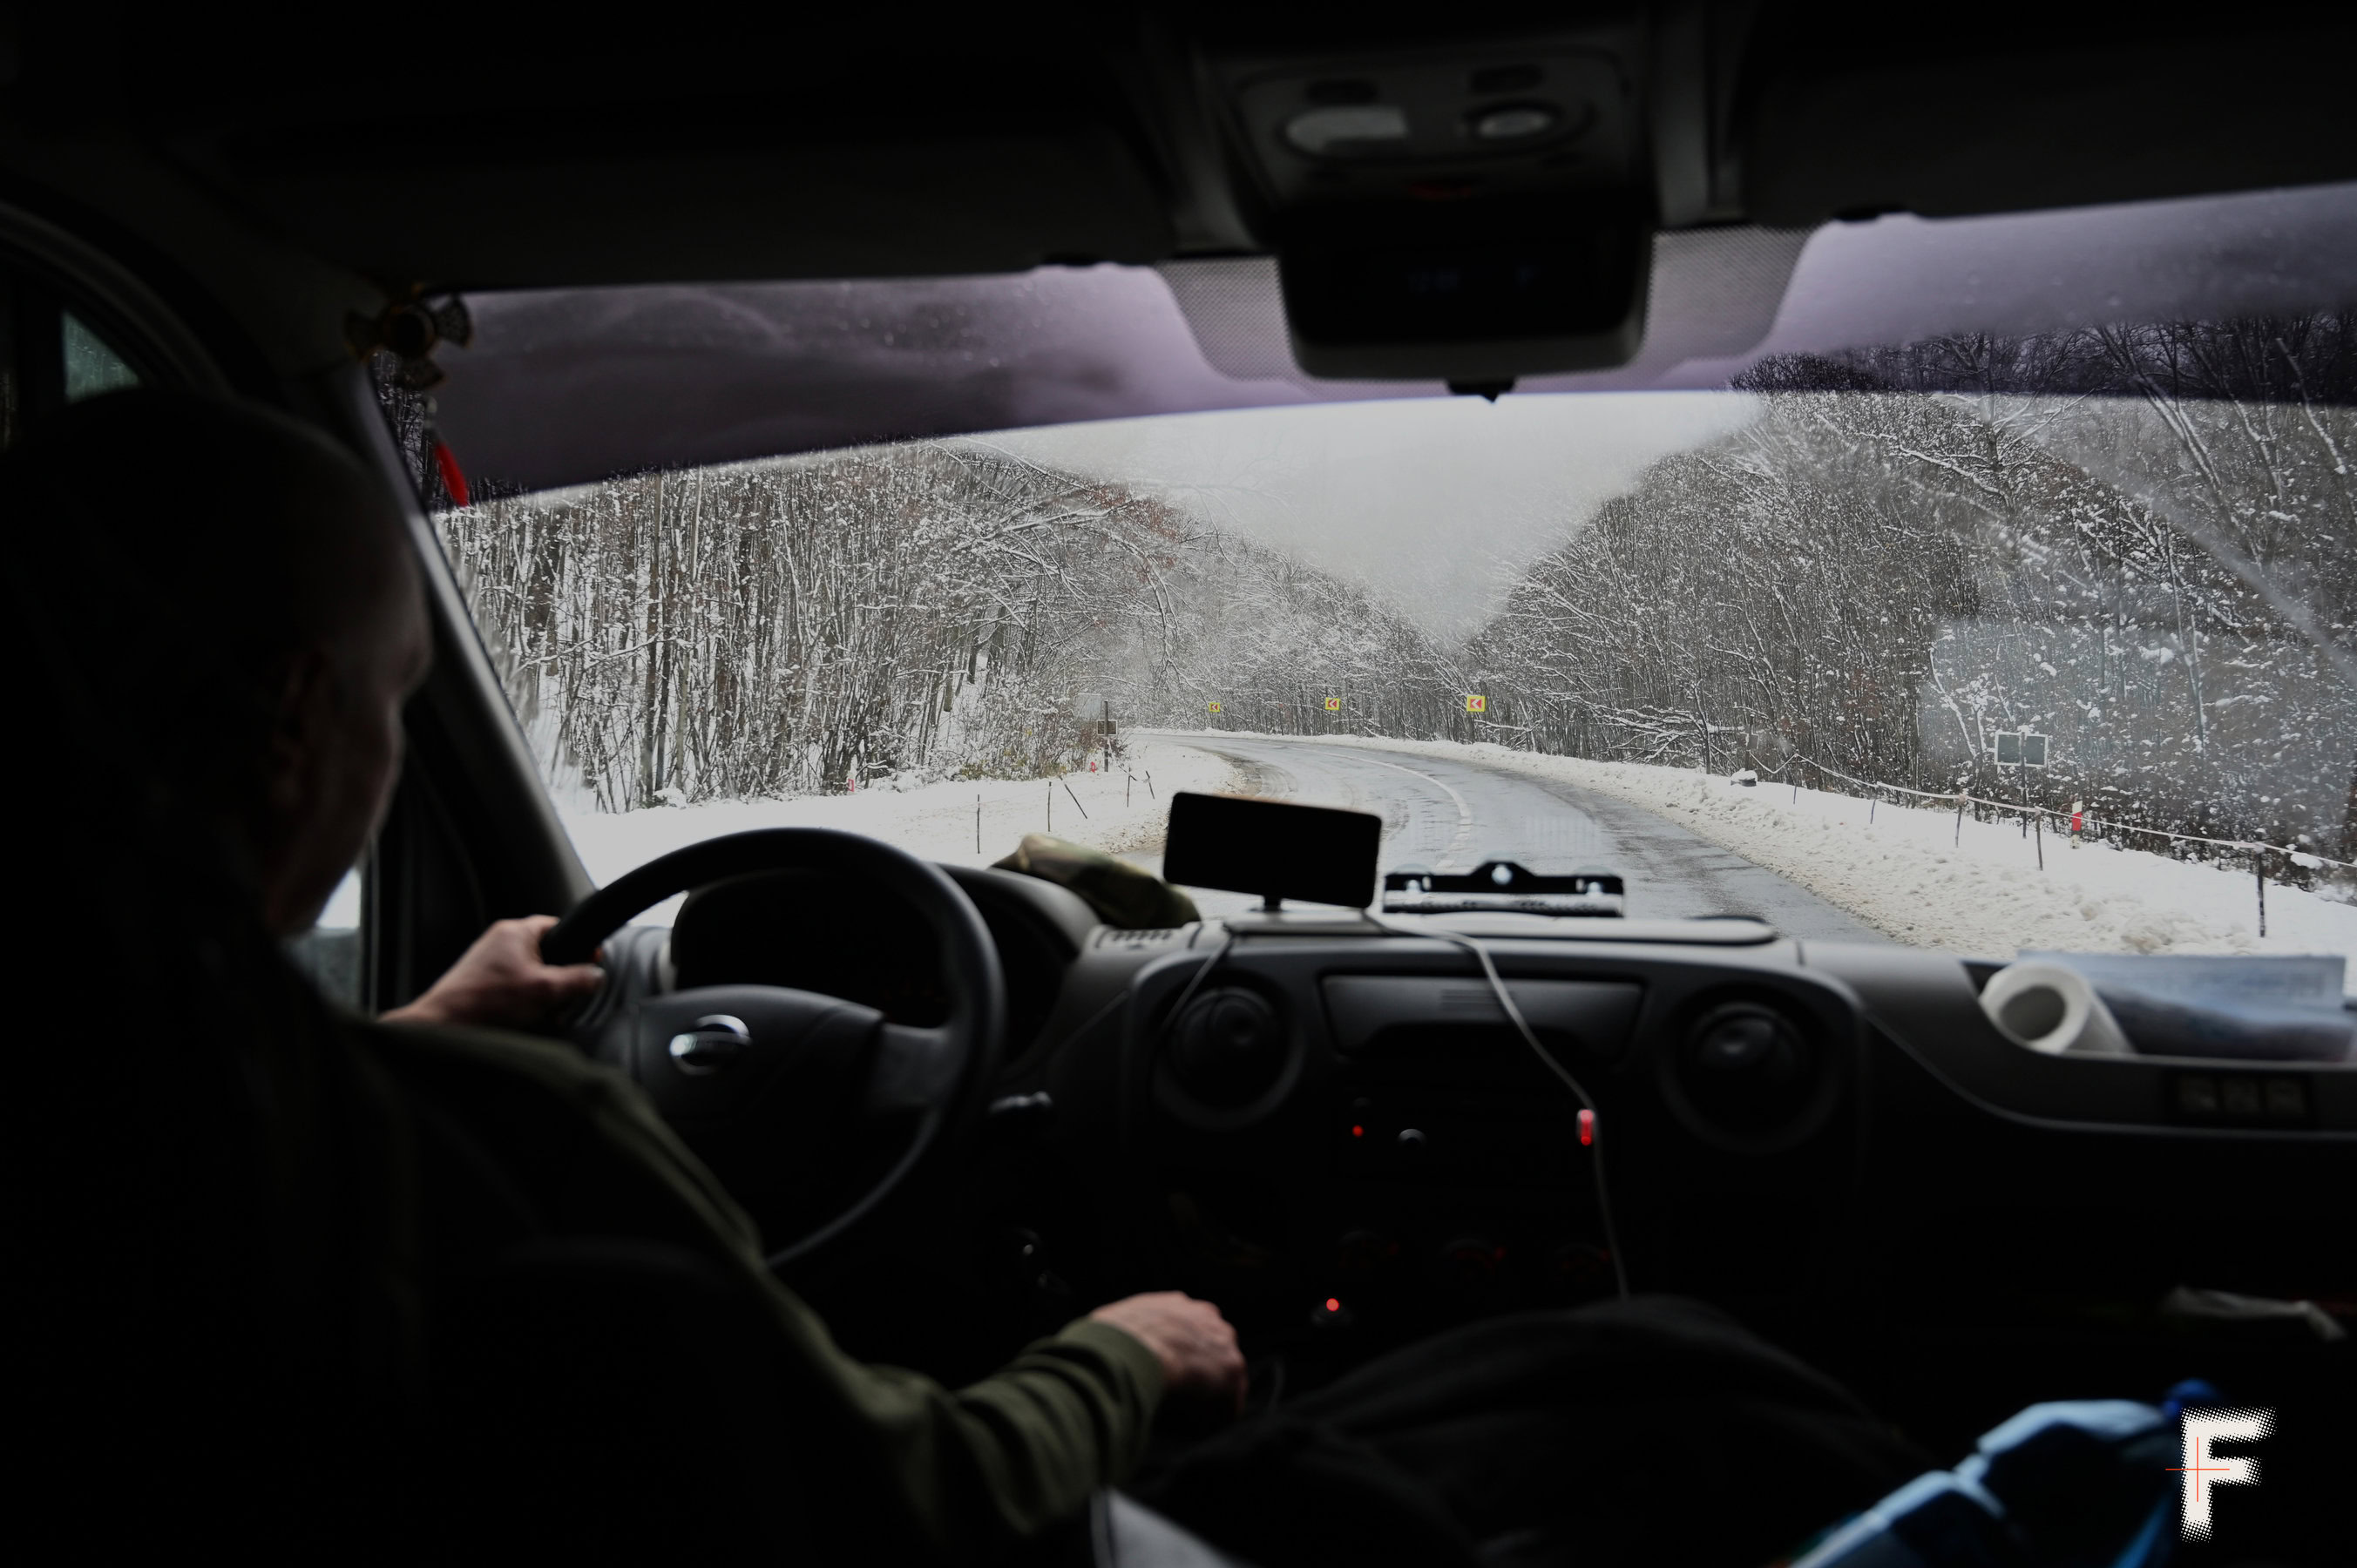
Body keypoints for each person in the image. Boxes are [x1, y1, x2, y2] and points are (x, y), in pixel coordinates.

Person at [6, 391, 1921, 1565]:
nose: (393, 760)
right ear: (286, 719)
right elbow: (901, 1504)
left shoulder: (191, 1094)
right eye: (406, 703)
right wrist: (1129, 1350)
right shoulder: (482, 1154)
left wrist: (416, 1036)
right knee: (1678, 1391)